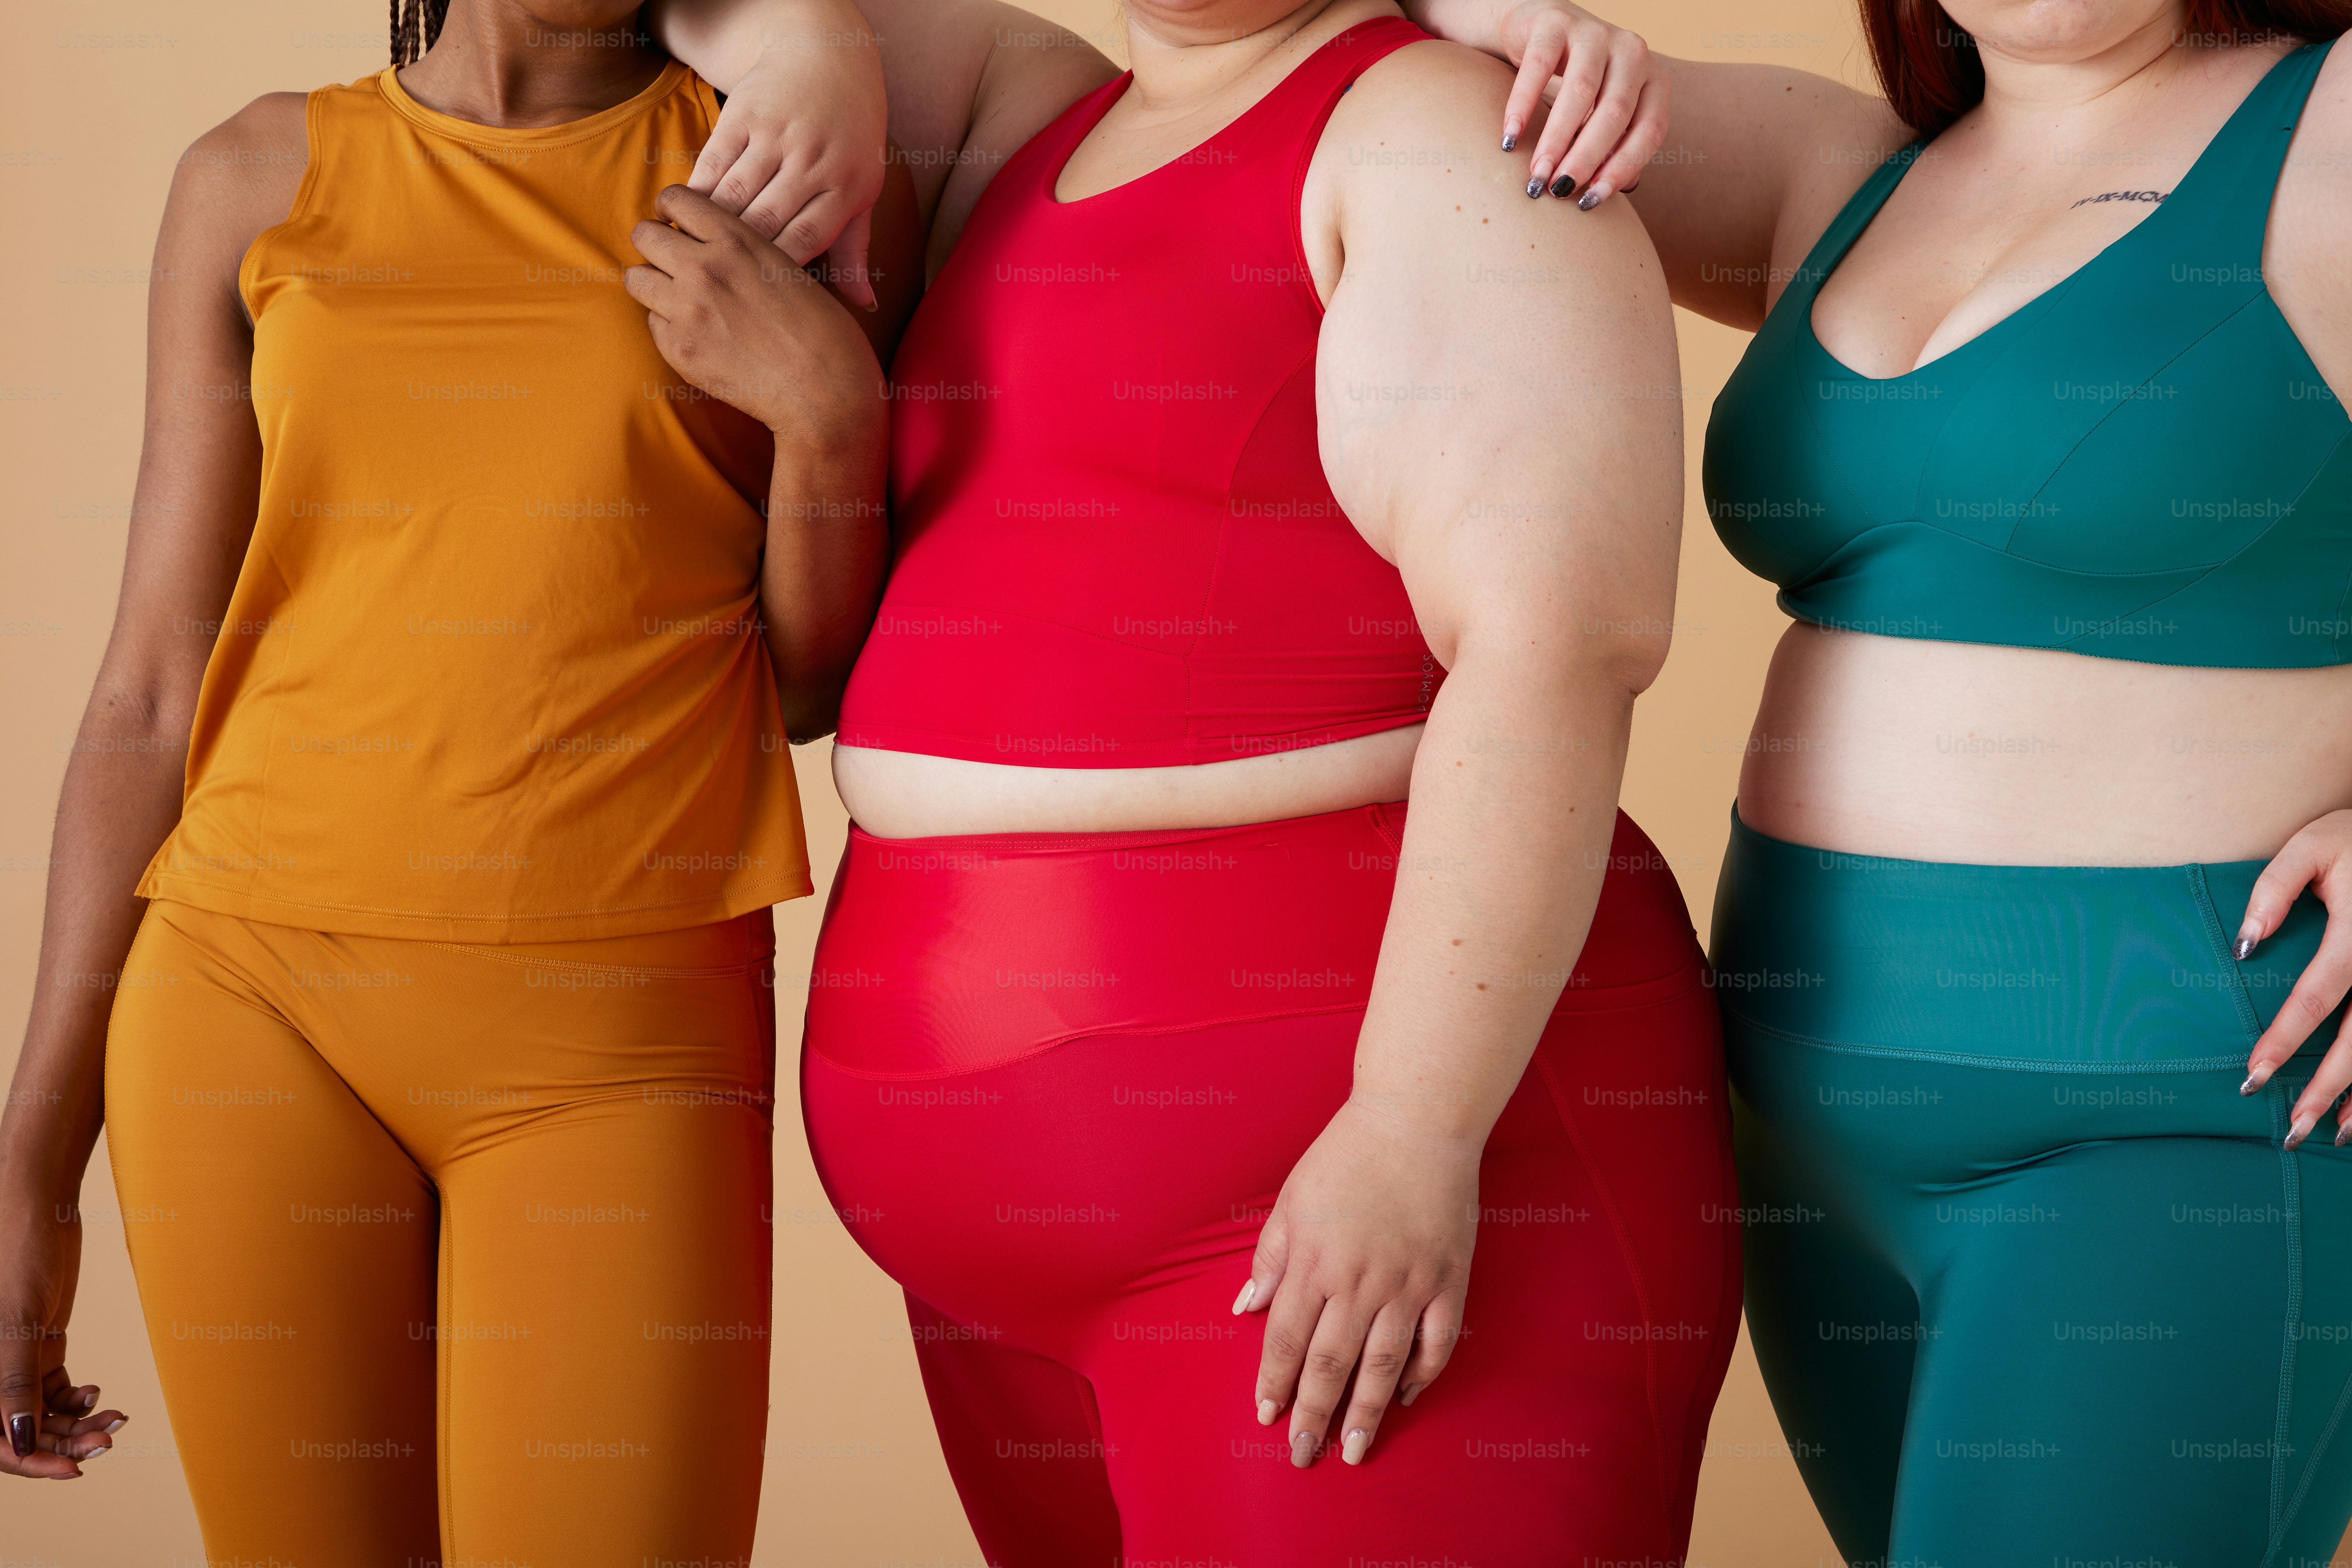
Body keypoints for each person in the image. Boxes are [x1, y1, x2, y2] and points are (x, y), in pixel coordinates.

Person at [664, 0, 1735, 1560]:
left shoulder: (1431, 130)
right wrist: (807, 50)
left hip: (1354, 1198)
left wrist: (1411, 1130)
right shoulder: (1030, 111)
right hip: (1001, 1276)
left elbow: (1560, 646)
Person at [1402, 0, 2352, 1558]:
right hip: (1796, 1120)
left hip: (2171, 1105)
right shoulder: (1833, 165)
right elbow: (1446, 55)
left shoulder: (2327, 131)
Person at [0, 0, 917, 1560]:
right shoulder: (251, 176)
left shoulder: (767, 164)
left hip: (622, 1041)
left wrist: (833, 421)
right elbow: (151, 686)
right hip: (246, 1007)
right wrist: (31, 1169)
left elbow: (807, 687)